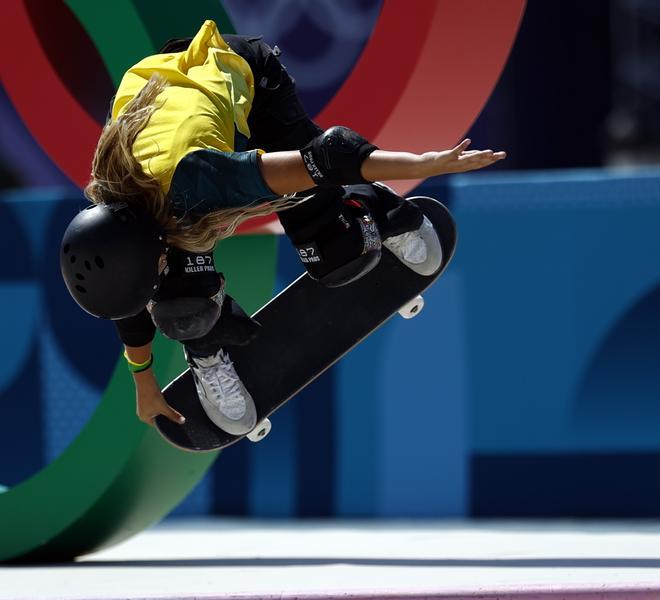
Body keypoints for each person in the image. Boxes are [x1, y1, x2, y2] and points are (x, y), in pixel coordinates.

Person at [60, 21, 505, 436]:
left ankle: (378, 208)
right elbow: (126, 292)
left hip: (247, 81)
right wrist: (144, 380)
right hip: (169, 101)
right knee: (181, 307)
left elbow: (328, 156)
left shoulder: (205, 179)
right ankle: (206, 349)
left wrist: (420, 163)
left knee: (339, 253)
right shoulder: (112, 218)